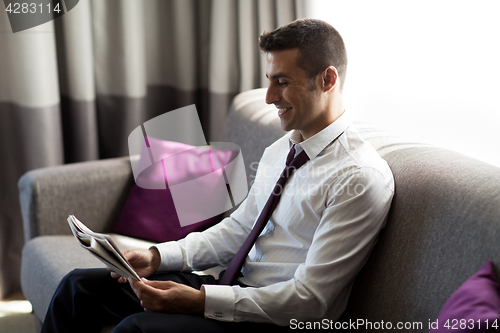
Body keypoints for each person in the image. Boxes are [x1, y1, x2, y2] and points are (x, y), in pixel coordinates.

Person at [41, 18, 394, 333]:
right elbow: (239, 229)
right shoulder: (281, 150)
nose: (270, 97)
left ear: (328, 79)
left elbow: (311, 300)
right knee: (78, 289)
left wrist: (200, 301)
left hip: (275, 318)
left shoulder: (359, 178)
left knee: (138, 328)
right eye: (270, 81)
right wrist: (157, 256)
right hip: (231, 289)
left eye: (282, 82)